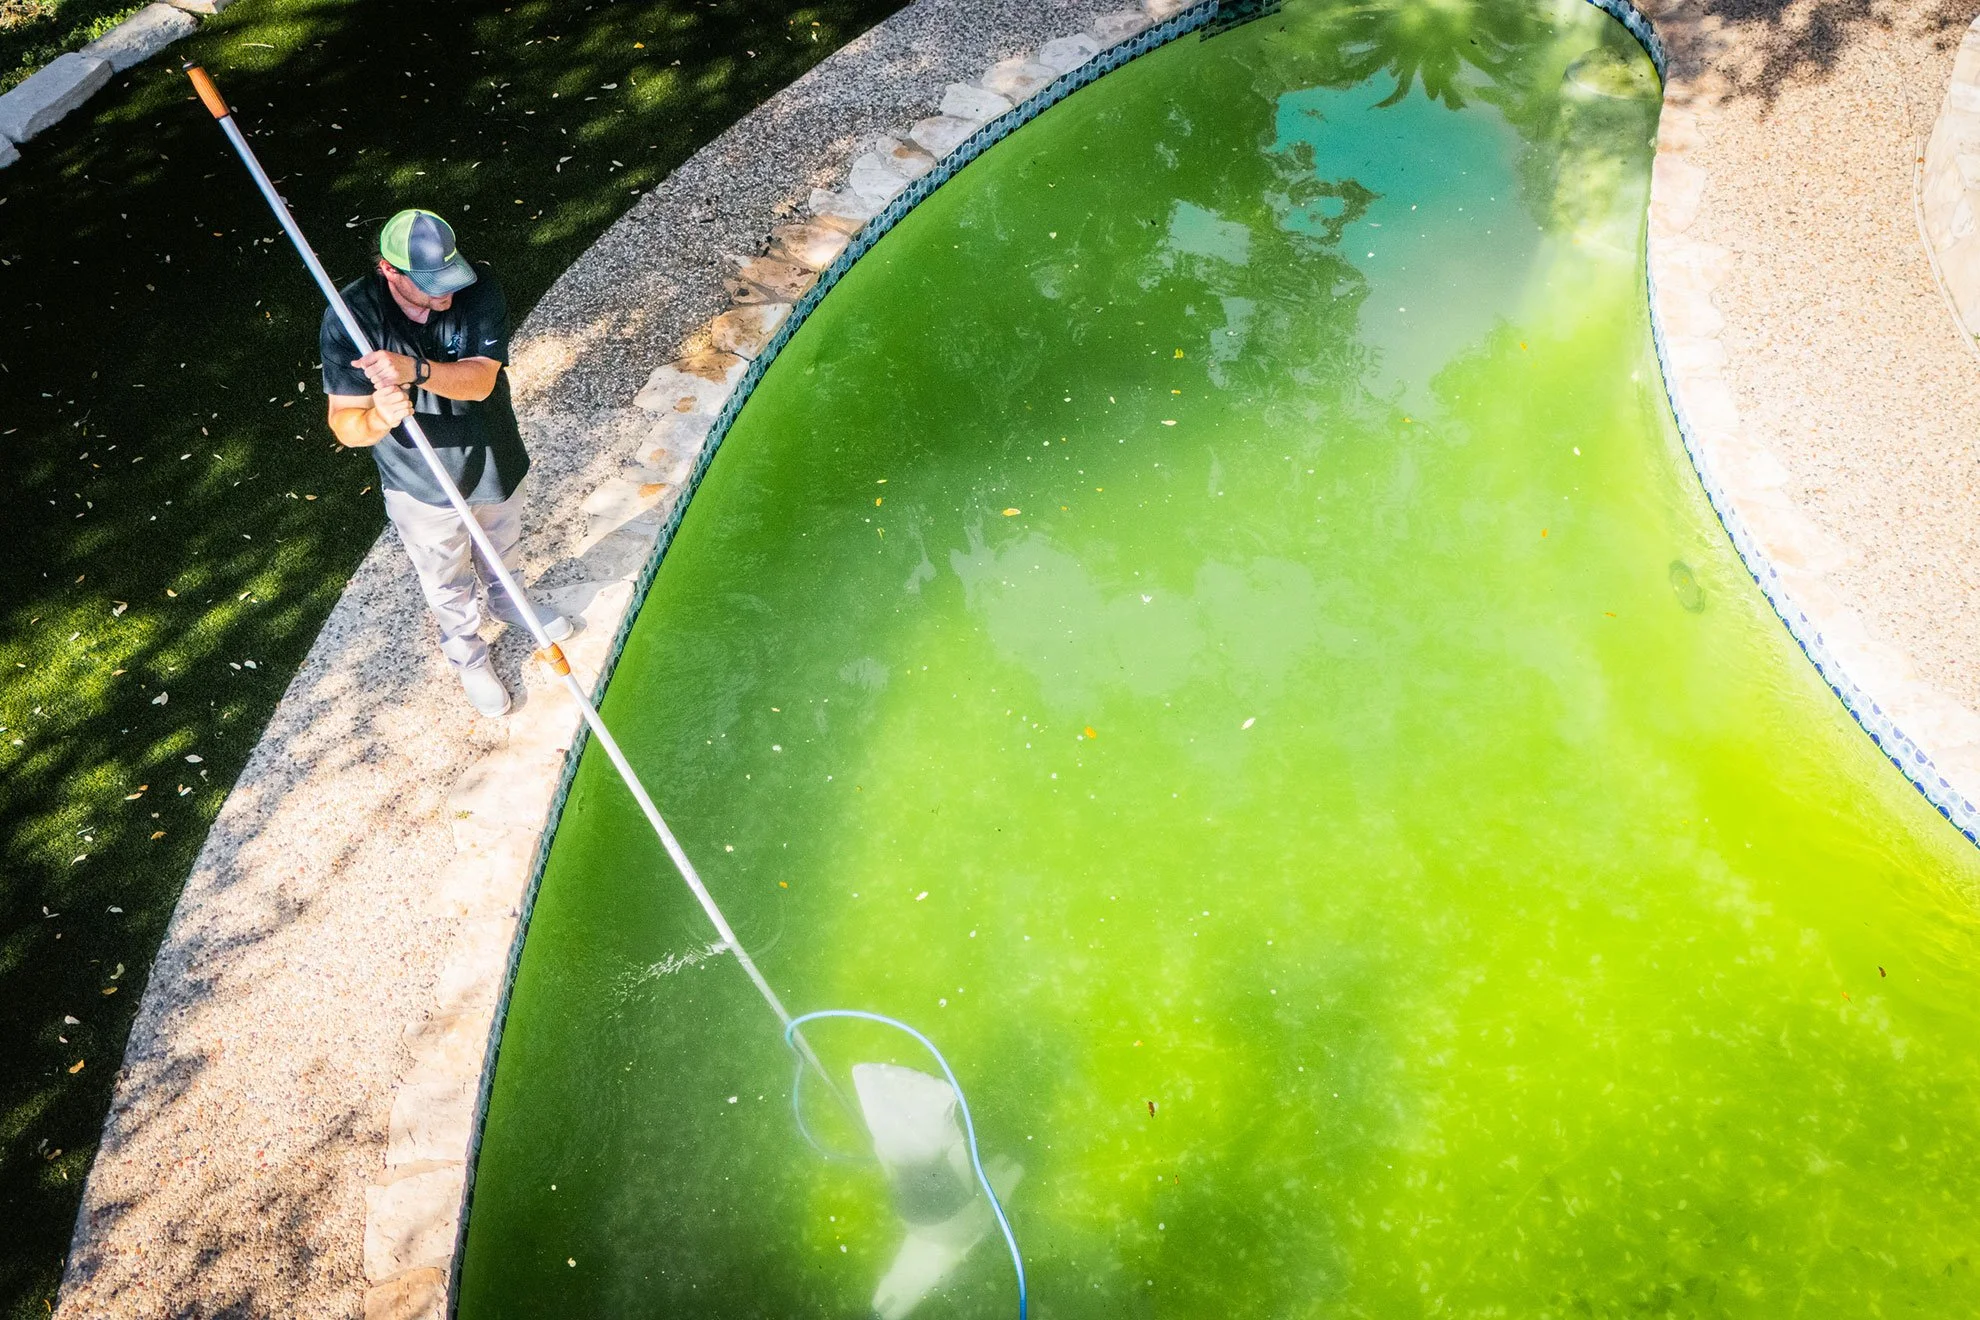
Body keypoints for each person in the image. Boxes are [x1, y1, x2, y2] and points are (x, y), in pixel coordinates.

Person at [321, 208, 568, 717]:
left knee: (504, 548)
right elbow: (345, 425)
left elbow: (479, 381)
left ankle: (509, 603)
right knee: (446, 582)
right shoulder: (350, 317)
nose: (446, 296)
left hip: (493, 454)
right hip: (421, 484)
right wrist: (379, 420)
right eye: (432, 286)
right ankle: (468, 657)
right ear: (390, 271)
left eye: (449, 279)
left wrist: (412, 370)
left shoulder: (478, 288)